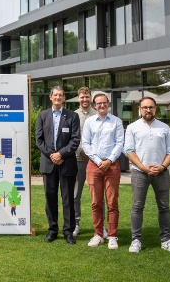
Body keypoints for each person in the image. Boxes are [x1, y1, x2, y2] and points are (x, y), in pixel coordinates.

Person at [123, 96, 170, 254]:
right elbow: (128, 150)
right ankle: (136, 240)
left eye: (151, 107)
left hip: (161, 173)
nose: (148, 110)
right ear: (140, 109)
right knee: (137, 206)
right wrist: (143, 167)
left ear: (156, 109)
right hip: (139, 172)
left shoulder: (164, 127)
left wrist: (162, 167)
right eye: (145, 107)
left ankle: (166, 240)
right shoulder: (133, 127)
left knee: (164, 207)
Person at [35, 86, 81, 244]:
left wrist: (61, 154)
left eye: (61, 95)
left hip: (67, 163)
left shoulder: (72, 116)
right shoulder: (43, 115)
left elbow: (75, 140)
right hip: (48, 164)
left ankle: (68, 231)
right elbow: (39, 140)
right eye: (55, 95)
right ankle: (52, 230)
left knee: (68, 199)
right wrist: (52, 155)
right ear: (50, 97)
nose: (58, 97)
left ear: (64, 98)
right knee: (50, 198)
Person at [82, 93, 124, 249]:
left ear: (108, 104)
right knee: (96, 202)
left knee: (112, 202)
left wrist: (109, 160)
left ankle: (112, 235)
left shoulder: (116, 122)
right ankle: (98, 234)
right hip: (94, 165)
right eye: (98, 103)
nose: (101, 105)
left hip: (112, 165)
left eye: (104, 103)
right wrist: (99, 161)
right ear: (94, 105)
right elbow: (86, 144)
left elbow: (120, 143)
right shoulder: (89, 122)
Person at [73, 86, 95, 237]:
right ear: (78, 98)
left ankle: (100, 226)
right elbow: (72, 137)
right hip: (77, 159)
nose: (85, 99)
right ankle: (75, 223)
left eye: (87, 97)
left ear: (91, 98)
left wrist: (92, 154)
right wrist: (80, 151)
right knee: (75, 194)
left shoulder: (98, 114)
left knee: (98, 194)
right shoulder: (73, 115)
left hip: (96, 160)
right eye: (82, 97)